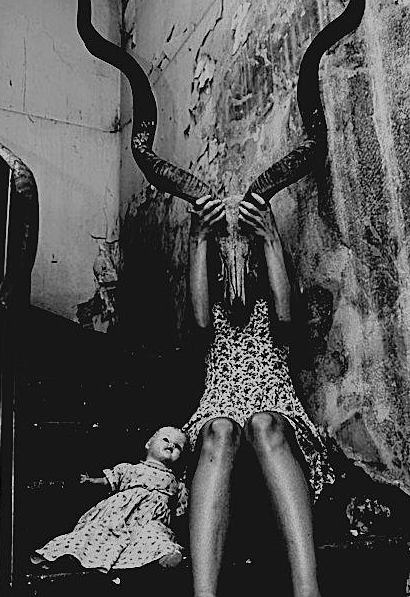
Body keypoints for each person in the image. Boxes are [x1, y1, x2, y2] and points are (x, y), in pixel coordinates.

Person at [183, 193, 336, 597]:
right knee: (219, 430)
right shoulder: (213, 300)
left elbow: (286, 319)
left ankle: (308, 592)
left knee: (264, 424)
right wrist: (198, 239)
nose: (236, 256)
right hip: (219, 404)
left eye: (244, 246)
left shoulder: (271, 295)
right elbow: (199, 325)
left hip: (274, 402)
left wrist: (269, 237)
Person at [31, 426, 188, 574]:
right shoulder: (130, 469)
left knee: (155, 535)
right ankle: (68, 555)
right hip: (120, 515)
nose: (171, 445)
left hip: (149, 522)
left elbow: (180, 512)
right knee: (98, 533)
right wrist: (91, 481)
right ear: (148, 444)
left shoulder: (177, 483)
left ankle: (165, 556)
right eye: (166, 439)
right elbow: (109, 481)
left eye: (178, 447)